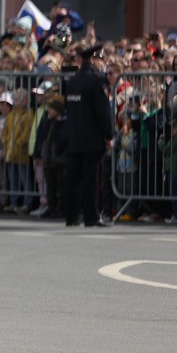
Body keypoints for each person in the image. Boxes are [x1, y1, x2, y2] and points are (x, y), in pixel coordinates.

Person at [63, 42, 114, 227]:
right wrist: (109, 135)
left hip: (75, 136)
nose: (102, 63)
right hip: (92, 138)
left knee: (74, 178)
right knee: (92, 179)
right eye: (101, 59)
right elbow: (103, 111)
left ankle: (71, 216)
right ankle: (91, 217)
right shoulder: (96, 80)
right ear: (93, 59)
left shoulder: (72, 81)